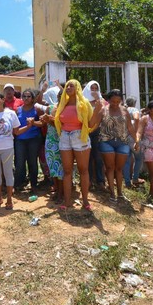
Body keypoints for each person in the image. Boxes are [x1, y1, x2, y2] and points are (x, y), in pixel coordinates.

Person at [55, 79, 102, 211]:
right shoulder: (62, 103)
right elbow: (59, 120)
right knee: (67, 171)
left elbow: (91, 123)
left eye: (72, 85)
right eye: (67, 85)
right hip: (64, 137)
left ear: (77, 88)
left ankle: (85, 201)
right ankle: (67, 201)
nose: (69, 87)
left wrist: (98, 110)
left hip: (79, 137)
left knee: (83, 170)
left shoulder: (84, 103)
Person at [92, 89, 137, 202]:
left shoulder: (125, 111)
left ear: (121, 100)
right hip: (106, 142)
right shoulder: (103, 110)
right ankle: (112, 193)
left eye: (118, 101)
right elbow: (93, 124)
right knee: (110, 167)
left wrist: (136, 140)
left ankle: (120, 192)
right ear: (108, 100)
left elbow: (130, 128)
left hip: (122, 142)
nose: (115, 104)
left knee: (119, 168)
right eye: (113, 101)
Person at [14, 89, 43, 193]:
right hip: (20, 139)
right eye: (24, 96)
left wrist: (33, 123)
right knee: (20, 162)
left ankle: (34, 184)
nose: (26, 98)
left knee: (32, 162)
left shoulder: (37, 110)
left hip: (34, 139)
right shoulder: (18, 110)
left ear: (32, 98)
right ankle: (18, 184)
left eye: (28, 96)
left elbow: (42, 123)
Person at [40, 89, 64, 204]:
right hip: (51, 141)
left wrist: (50, 120)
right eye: (60, 95)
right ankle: (57, 190)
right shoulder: (51, 108)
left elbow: (63, 125)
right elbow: (44, 124)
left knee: (62, 168)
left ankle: (61, 193)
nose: (61, 97)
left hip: (63, 140)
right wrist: (42, 120)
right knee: (53, 167)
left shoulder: (68, 110)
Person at [83, 81, 106, 191]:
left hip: (98, 132)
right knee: (88, 158)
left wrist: (98, 100)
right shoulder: (83, 101)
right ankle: (89, 181)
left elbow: (106, 112)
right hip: (85, 132)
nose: (94, 90)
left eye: (96, 88)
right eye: (91, 88)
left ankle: (100, 181)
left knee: (98, 157)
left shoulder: (101, 101)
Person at [123, 96, 145, 188]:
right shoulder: (134, 109)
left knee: (127, 161)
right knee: (139, 158)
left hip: (124, 138)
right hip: (133, 138)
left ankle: (127, 182)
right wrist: (136, 131)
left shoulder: (123, 110)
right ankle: (135, 178)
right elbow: (136, 119)